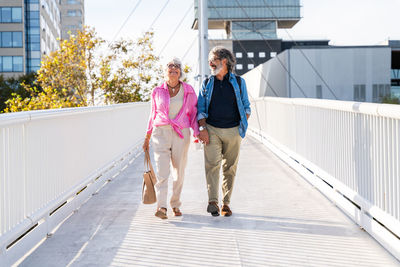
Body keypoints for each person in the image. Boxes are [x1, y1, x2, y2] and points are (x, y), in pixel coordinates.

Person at [197, 46, 251, 217]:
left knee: (230, 167)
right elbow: (201, 109)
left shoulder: (239, 82)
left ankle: (226, 203)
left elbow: (247, 107)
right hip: (212, 130)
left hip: (233, 130)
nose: (210, 64)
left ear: (224, 61)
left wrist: (241, 125)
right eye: (209, 62)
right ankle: (213, 201)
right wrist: (202, 128)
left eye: (213, 60)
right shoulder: (207, 83)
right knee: (212, 165)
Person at [143, 57, 199, 220]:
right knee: (162, 171)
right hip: (160, 133)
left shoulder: (188, 90)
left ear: (180, 71)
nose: (173, 68)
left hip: (181, 133)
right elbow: (152, 114)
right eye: (170, 66)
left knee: (179, 171)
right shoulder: (157, 91)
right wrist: (147, 136)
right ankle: (162, 206)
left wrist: (197, 132)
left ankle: (175, 203)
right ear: (165, 71)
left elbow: (194, 112)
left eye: (177, 66)